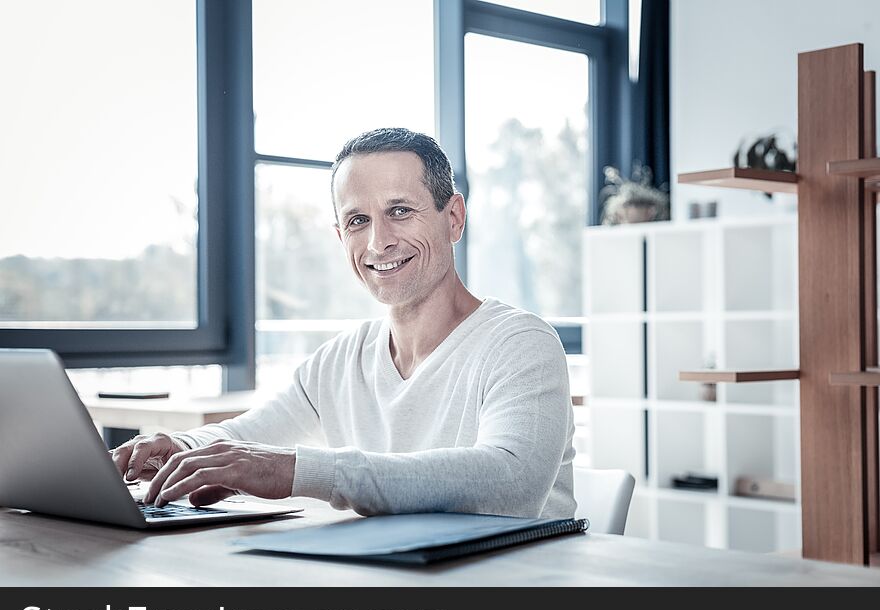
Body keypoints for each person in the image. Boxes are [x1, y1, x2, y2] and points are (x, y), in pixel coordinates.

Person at [112, 127, 576, 518]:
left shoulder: (521, 344)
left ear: (453, 217)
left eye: (399, 211)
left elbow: (510, 482)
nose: (378, 242)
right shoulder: (341, 359)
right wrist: (180, 446)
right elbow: (246, 438)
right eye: (357, 221)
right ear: (341, 236)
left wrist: (295, 472)